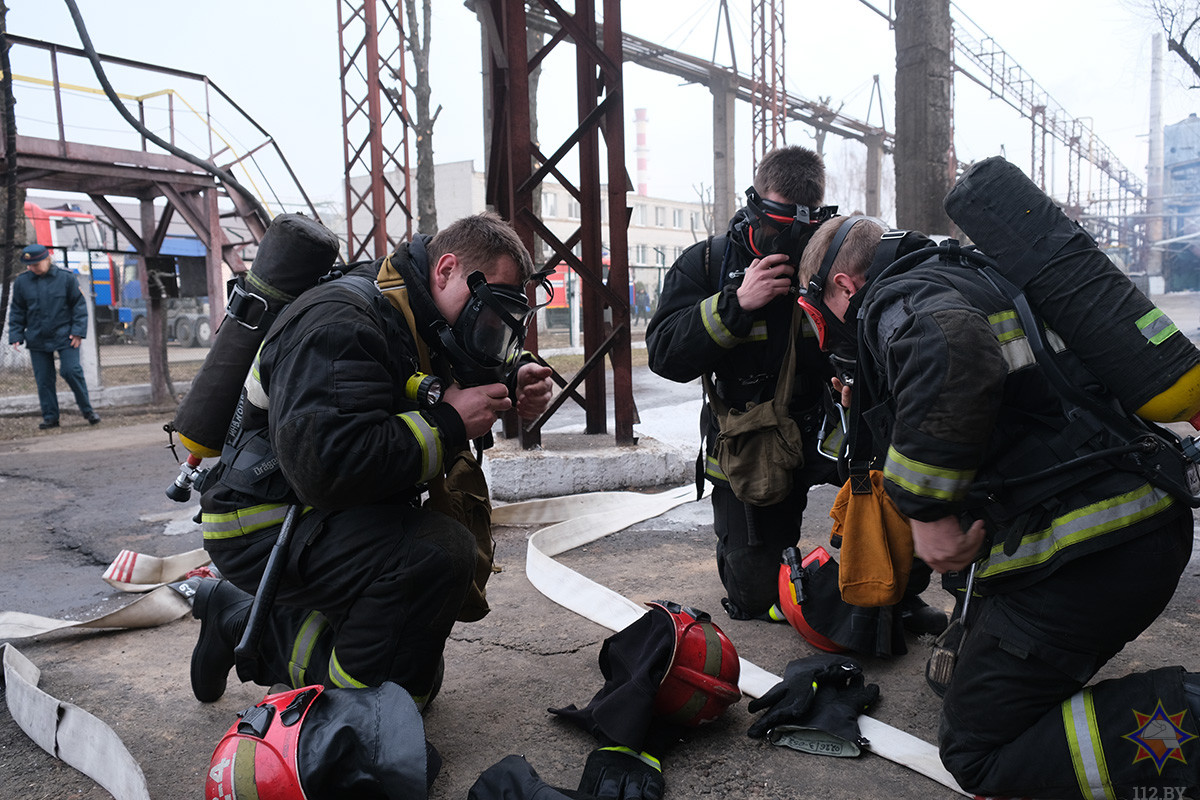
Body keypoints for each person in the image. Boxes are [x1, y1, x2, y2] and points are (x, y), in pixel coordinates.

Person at [796, 213, 1200, 796]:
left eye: (819, 317)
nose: (827, 334)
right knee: (965, 678)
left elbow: (955, 356)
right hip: (1133, 519)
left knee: (977, 755)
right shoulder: (973, 275)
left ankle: (1185, 721)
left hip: (1089, 551)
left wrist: (926, 512)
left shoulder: (896, 298)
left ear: (843, 286)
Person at [190, 212, 554, 710]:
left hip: (319, 513)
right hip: (261, 521)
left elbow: (460, 364)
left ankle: (236, 616)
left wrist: (517, 377)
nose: (489, 330)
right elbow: (329, 467)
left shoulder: (419, 310)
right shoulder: (342, 322)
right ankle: (360, 717)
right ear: (445, 268)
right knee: (434, 557)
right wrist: (449, 424)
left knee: (417, 657)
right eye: (488, 312)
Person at [645, 146, 943, 635]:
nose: (786, 246)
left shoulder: (831, 253)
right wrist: (734, 305)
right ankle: (776, 584)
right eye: (773, 229)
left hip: (833, 423)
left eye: (799, 233)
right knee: (755, 595)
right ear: (754, 204)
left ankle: (898, 593)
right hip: (753, 436)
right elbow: (664, 355)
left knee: (898, 481)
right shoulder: (710, 263)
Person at [7, 243, 100, 429]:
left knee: (71, 370)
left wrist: (78, 332)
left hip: (65, 335)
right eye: (29, 265)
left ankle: (88, 411)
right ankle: (50, 418)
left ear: (47, 259)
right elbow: (18, 310)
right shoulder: (22, 282)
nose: (31, 268)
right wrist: (16, 334)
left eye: (35, 264)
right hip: (37, 337)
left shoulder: (66, 278)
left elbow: (79, 307)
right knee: (44, 379)